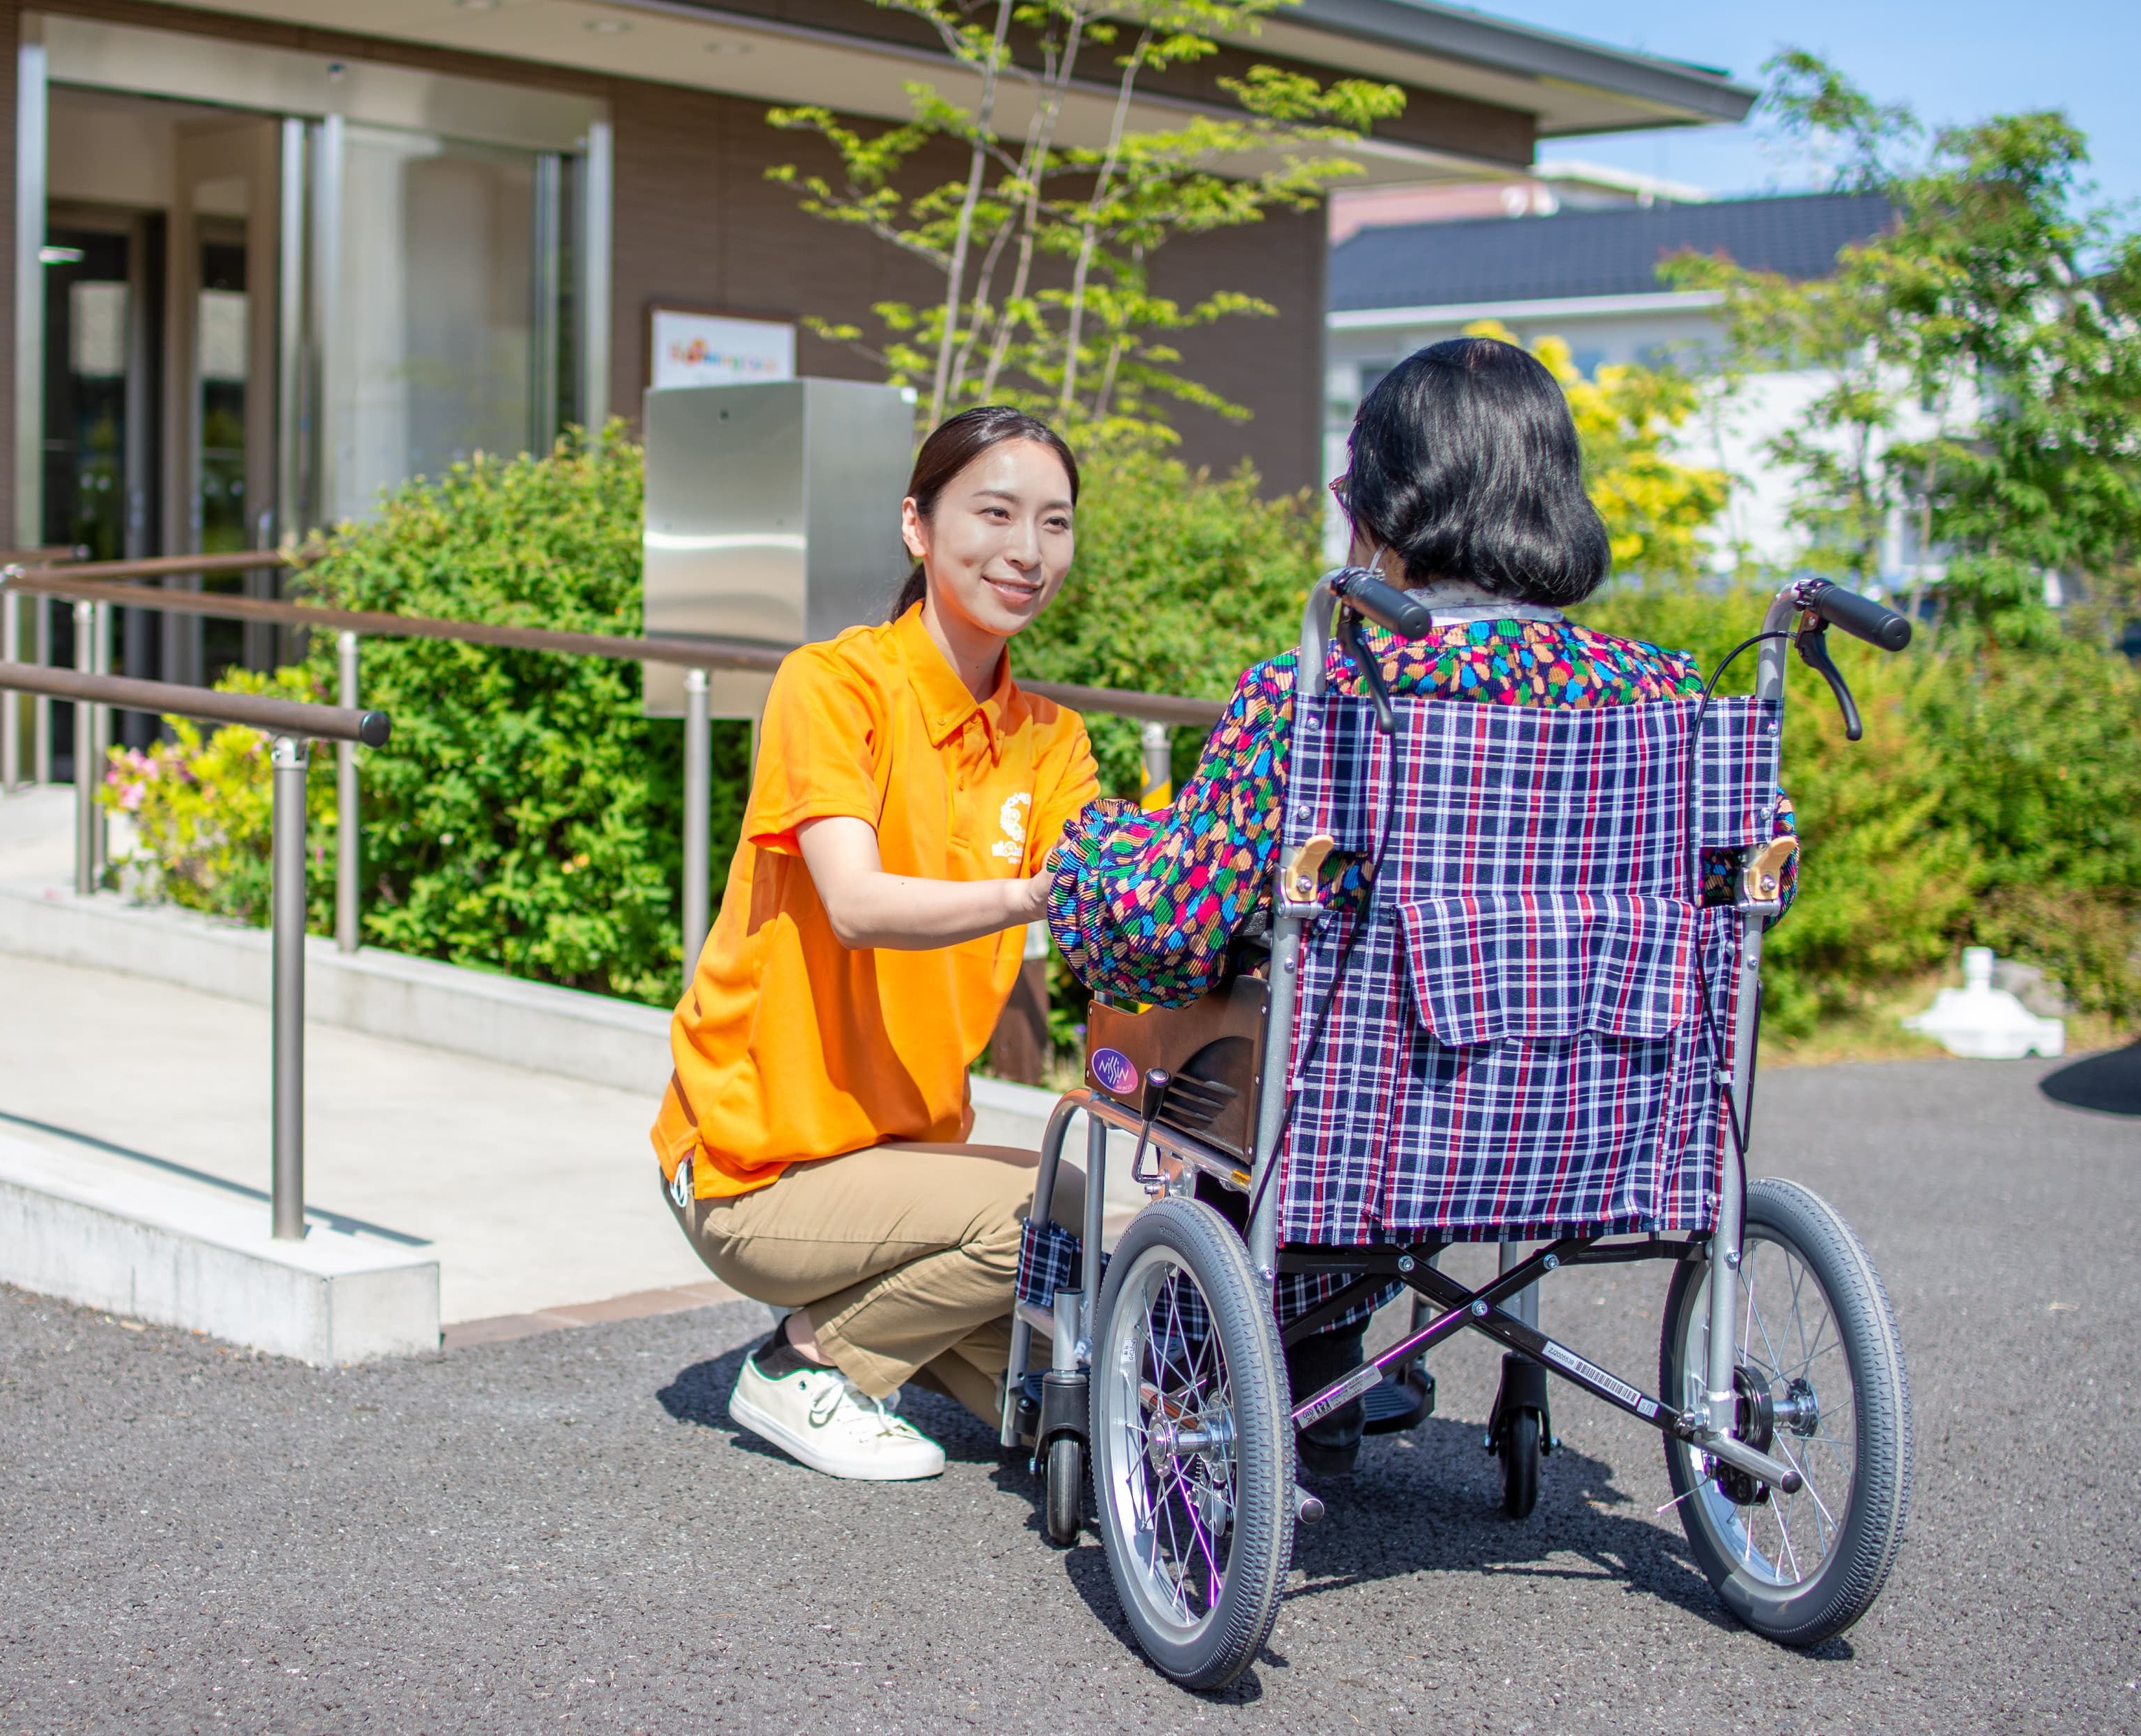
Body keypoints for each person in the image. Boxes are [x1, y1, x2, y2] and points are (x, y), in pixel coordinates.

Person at [1043, 335, 1799, 1477]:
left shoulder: (1324, 695)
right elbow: (1748, 903)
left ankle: (1272, 1363)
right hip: (1605, 1122)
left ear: (1388, 497)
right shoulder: (1672, 698)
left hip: (1374, 1137)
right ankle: (1331, 1358)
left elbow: (1164, 926)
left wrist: (1087, 860)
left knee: (1252, 1036)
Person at [653, 405, 1101, 1483]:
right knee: (1049, 1208)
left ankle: (883, 1342)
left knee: (1083, 1394)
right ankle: (807, 1363)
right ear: (918, 525)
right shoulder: (833, 685)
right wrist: (1040, 892)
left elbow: (1108, 904)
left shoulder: (1052, 740)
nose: (1026, 552)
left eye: (1055, 522)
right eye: (994, 513)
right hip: (756, 1167)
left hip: (903, 1165)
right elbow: (853, 901)